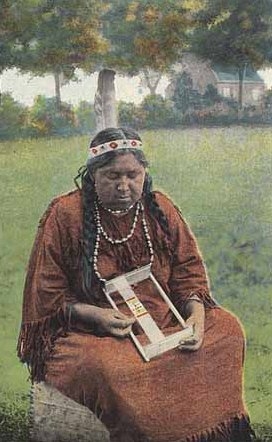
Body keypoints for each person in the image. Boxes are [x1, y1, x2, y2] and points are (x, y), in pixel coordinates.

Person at [17, 127, 254, 442]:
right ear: (91, 176)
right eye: (112, 176)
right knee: (113, 368)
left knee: (227, 328)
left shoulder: (159, 207)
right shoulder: (65, 214)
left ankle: (214, 432)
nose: (124, 185)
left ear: (144, 173)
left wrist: (195, 315)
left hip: (162, 318)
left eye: (133, 175)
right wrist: (94, 315)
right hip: (92, 332)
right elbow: (47, 294)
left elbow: (188, 269)